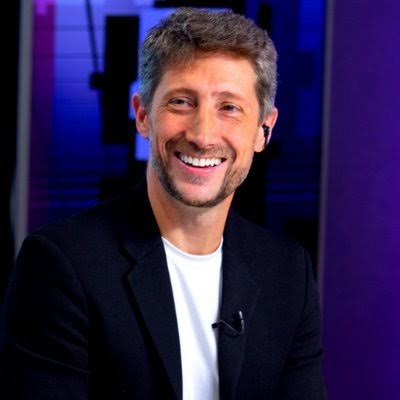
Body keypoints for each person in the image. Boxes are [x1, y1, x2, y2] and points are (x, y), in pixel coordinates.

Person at [2, 7, 326, 400]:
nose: (203, 135)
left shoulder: (288, 272)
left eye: (229, 107)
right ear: (142, 115)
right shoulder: (62, 265)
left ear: (264, 130)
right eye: (181, 102)